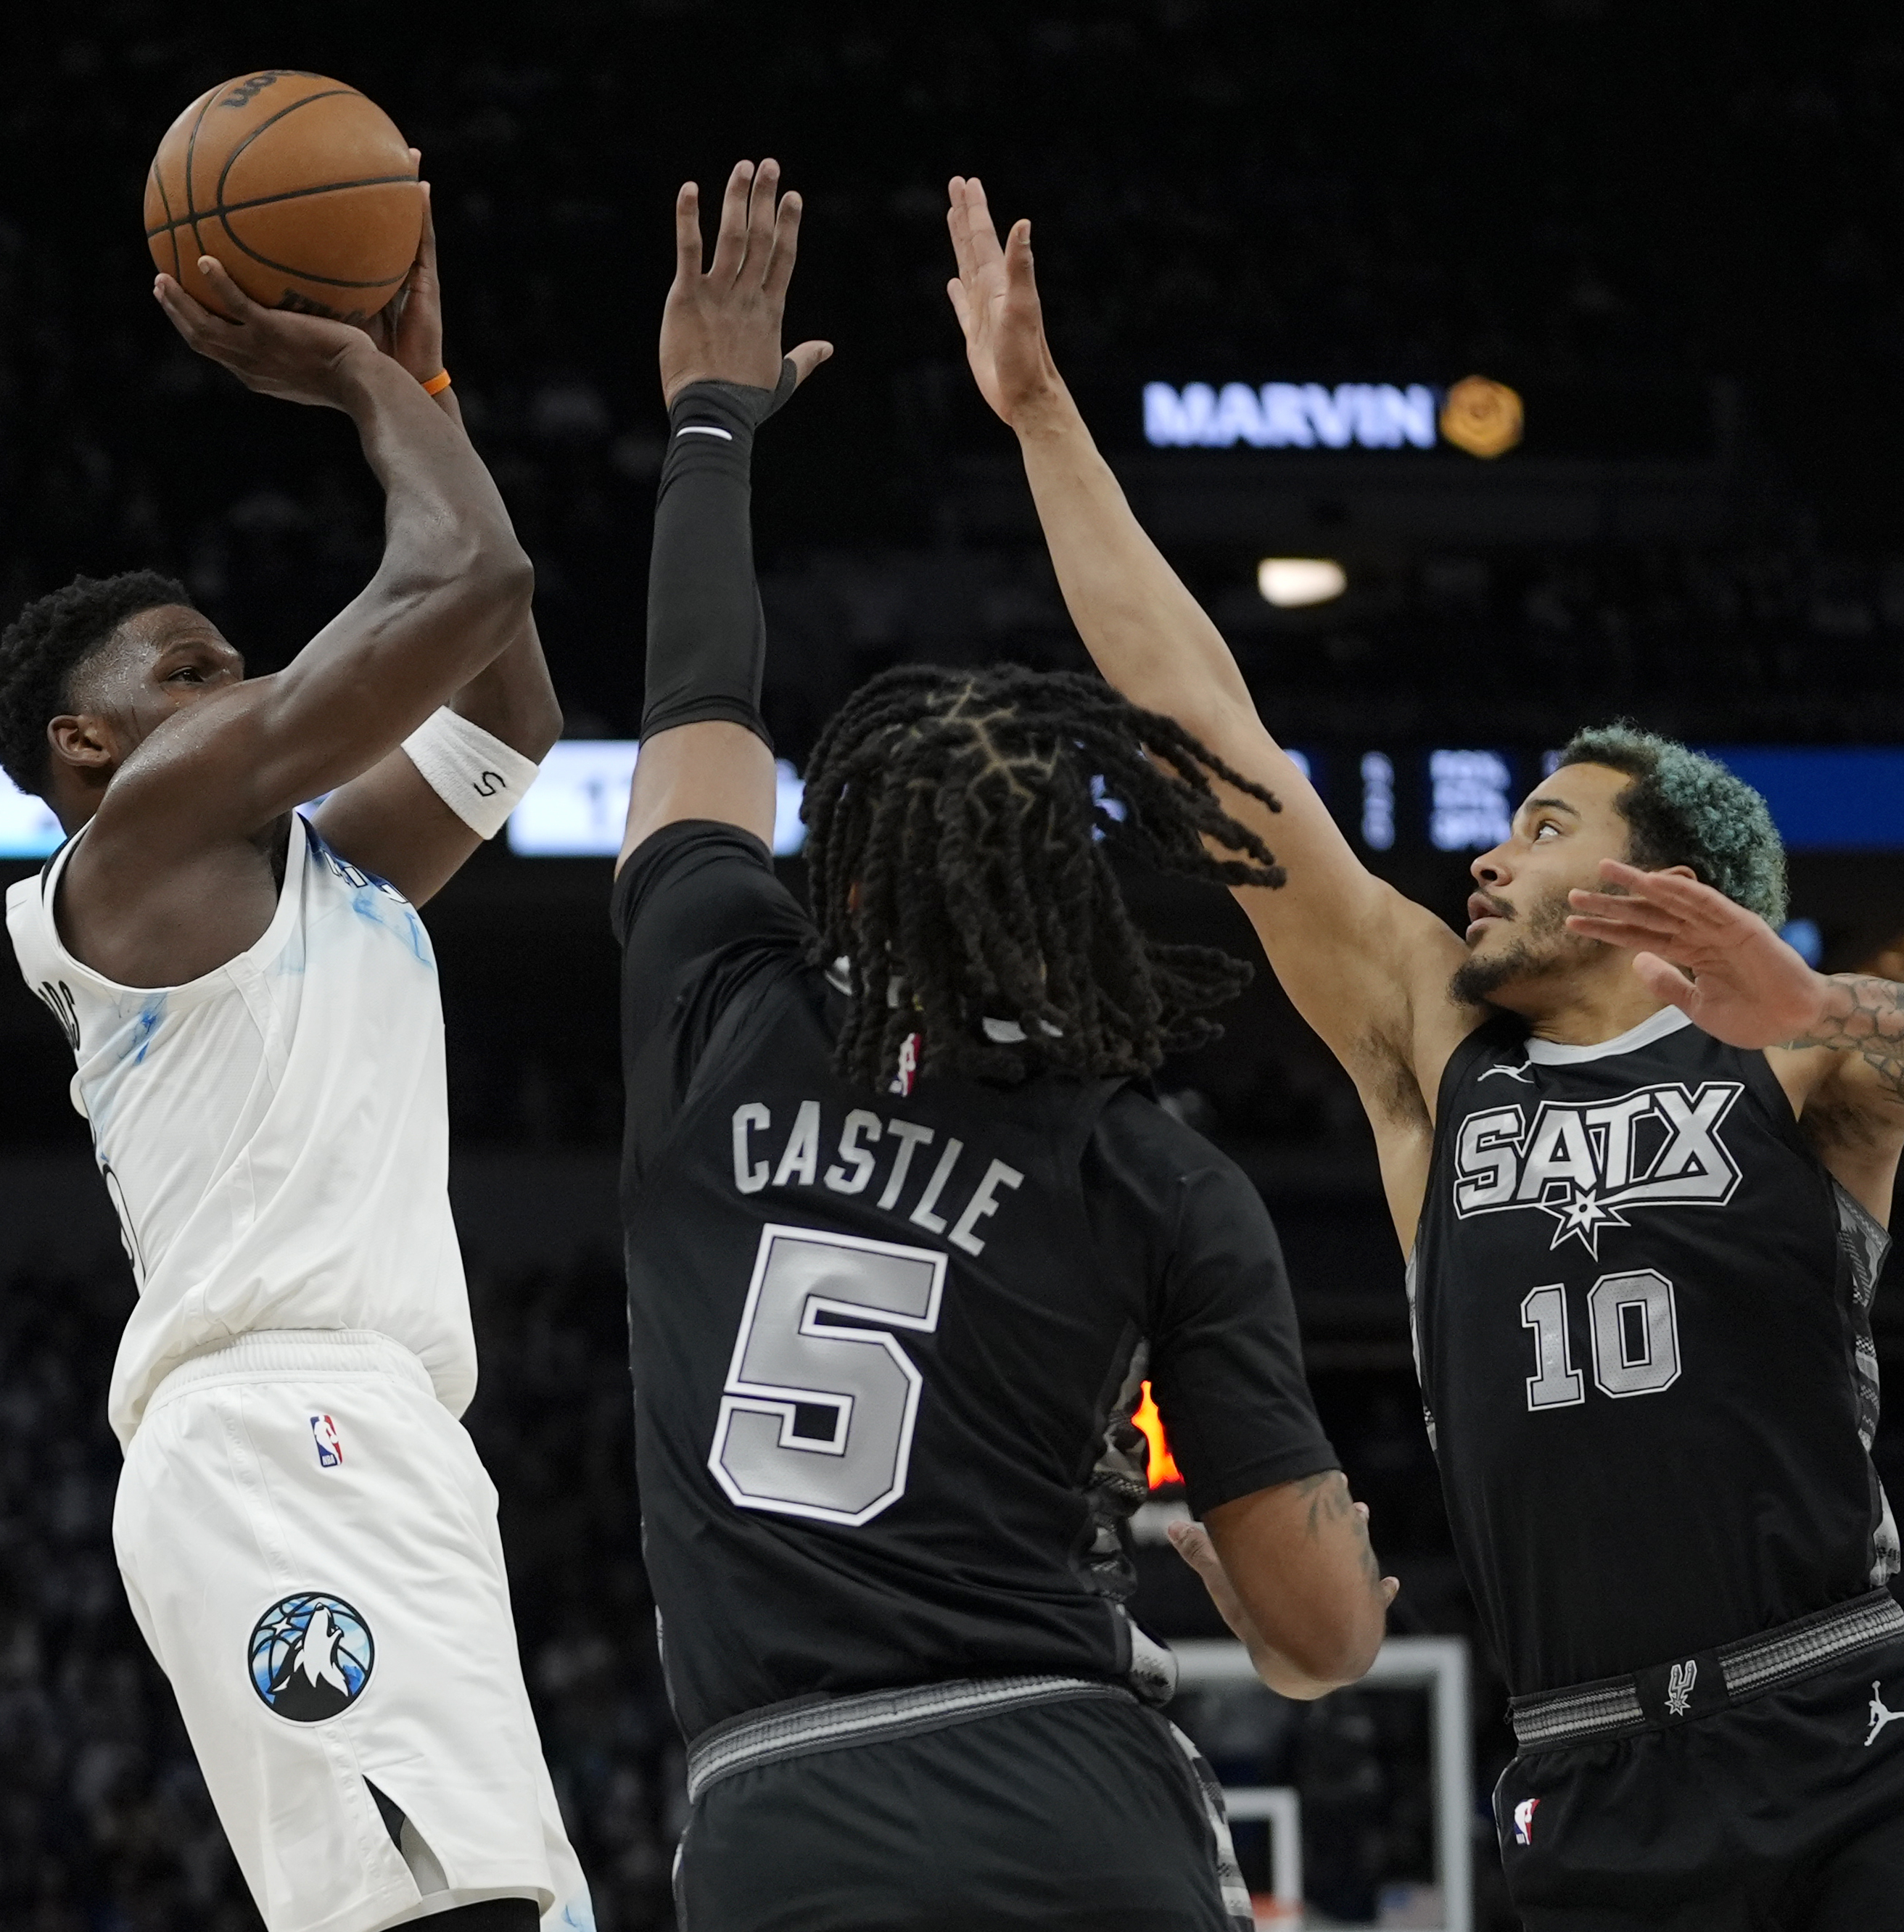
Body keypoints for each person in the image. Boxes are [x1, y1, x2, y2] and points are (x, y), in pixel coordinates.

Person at [941, 176, 1904, 1931]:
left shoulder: (1802, 1070)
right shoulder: (1434, 1055)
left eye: (1539, 822)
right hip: (1587, 1781)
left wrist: (1831, 1006)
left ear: (1654, 887)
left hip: (1845, 1729)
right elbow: (1210, 731)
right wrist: (1044, 419)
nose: (1488, 855)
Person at [611, 159, 1392, 1932]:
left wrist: (714, 428)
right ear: (1075, 898)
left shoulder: (710, 998)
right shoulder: (1150, 1167)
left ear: (849, 869)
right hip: (1065, 1791)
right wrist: (1321, 1571)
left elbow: (694, 706)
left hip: (775, 1818)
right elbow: (1324, 1642)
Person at [0, 184, 590, 1932]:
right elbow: (467, 573)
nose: (242, 691)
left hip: (375, 1431)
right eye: (194, 671)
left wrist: (433, 396)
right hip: (275, 1431)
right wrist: (349, 379)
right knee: (444, 1915)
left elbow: (507, 704)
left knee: (512, 1908)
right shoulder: (142, 843)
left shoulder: (323, 875)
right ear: (90, 743)